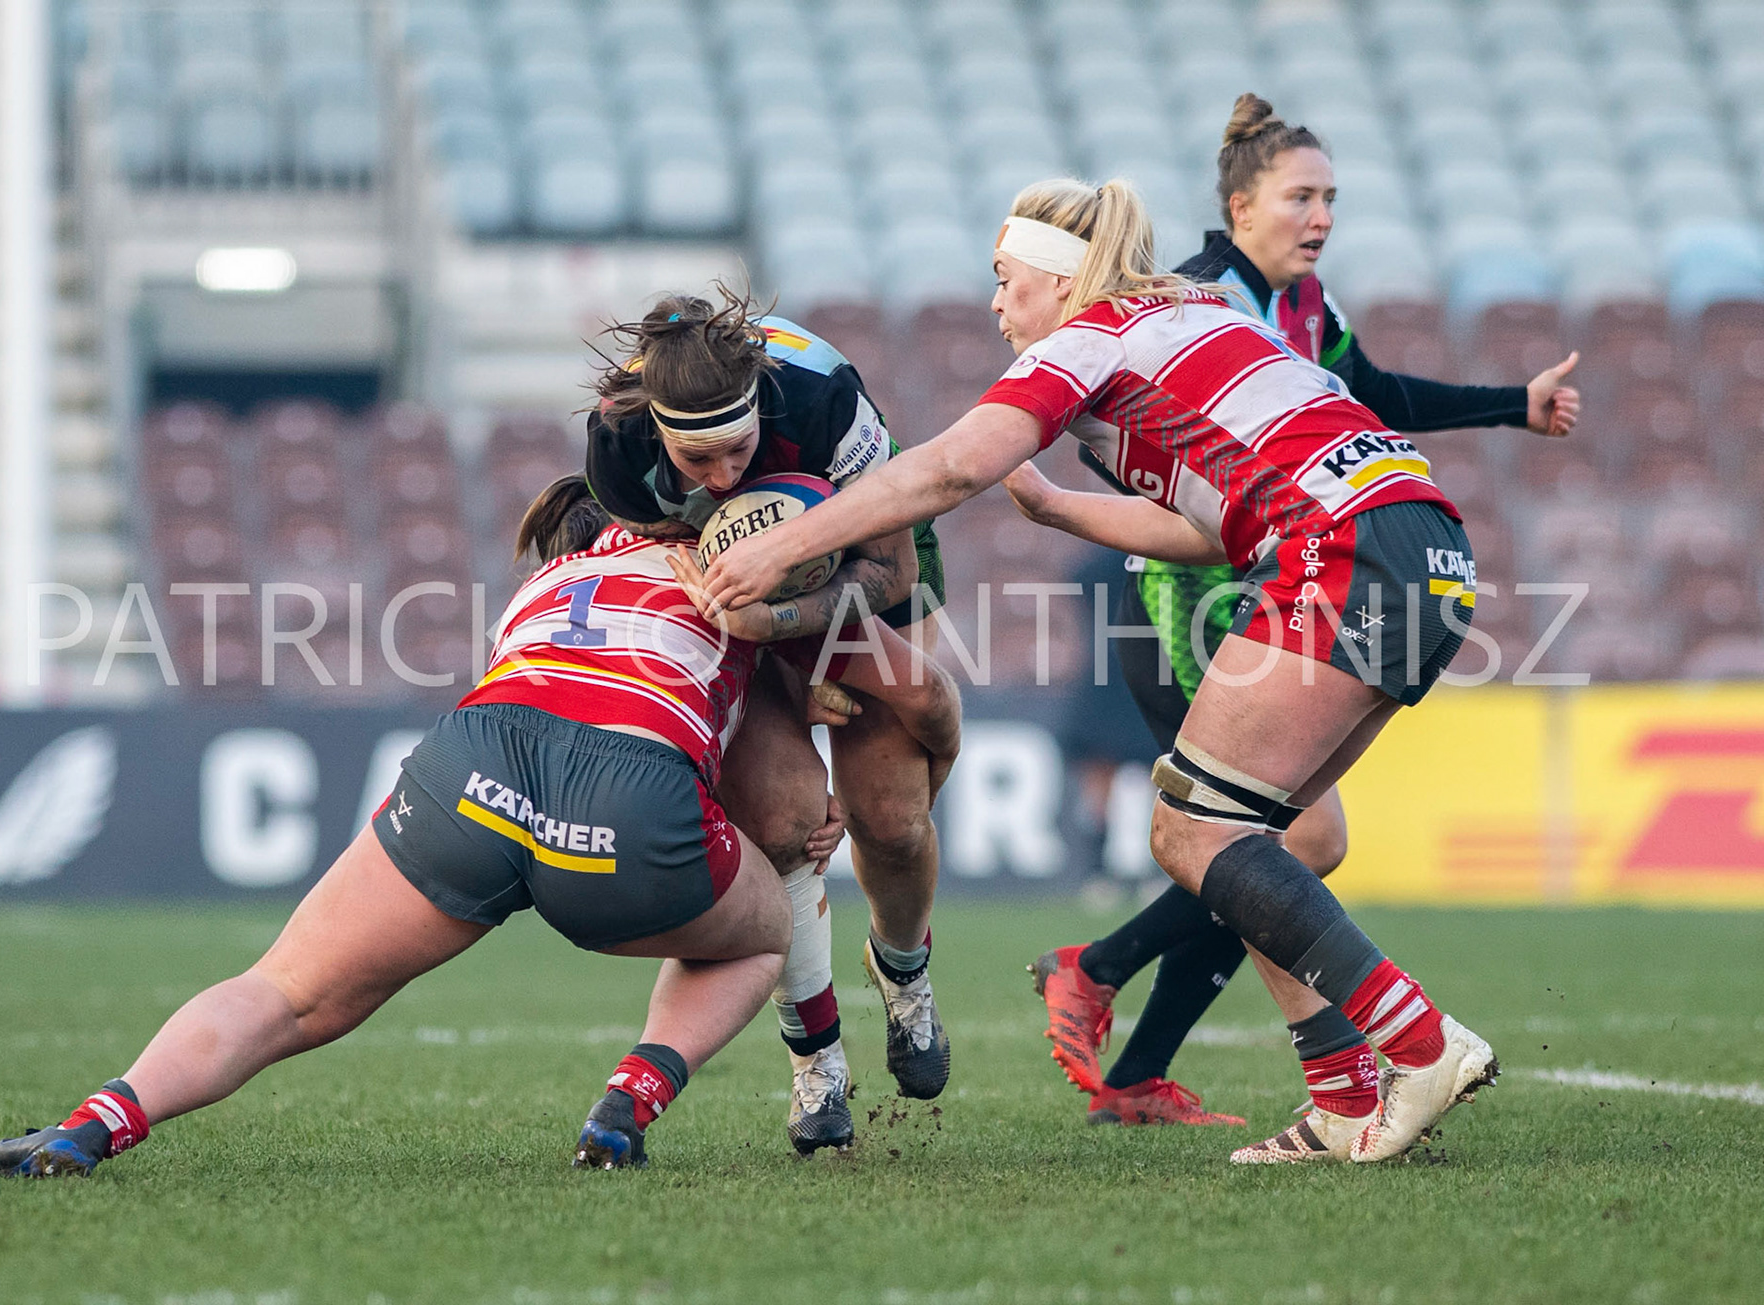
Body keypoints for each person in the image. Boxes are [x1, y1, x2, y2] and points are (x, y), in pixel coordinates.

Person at [696, 176, 1503, 1165]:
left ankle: (1418, 1042)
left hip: (1342, 550)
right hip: (1423, 539)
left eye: (1005, 279)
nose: (997, 304)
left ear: (1060, 276)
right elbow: (1209, 530)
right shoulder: (1196, 312)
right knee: (1254, 840)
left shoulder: (1087, 340)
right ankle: (1342, 1098)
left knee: (1190, 826)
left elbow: (944, 469)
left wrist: (782, 549)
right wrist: (1061, 510)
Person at [1016, 94, 1580, 1135]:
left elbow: (1371, 395)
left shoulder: (1308, 307)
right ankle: (1118, 988)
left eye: (1332, 198)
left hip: (1289, 578)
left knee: (1269, 842)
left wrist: (1515, 404)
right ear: (1239, 204)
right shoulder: (1190, 298)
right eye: (1300, 196)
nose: (1320, 216)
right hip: (1191, 600)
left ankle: (1125, 1028)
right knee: (1277, 836)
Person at [0, 477, 797, 1178]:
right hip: (624, 800)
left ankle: (96, 1121)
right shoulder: (728, 566)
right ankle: (627, 1102)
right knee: (763, 935)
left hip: (475, 763)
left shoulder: (548, 583)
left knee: (285, 991)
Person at [584, 288, 960, 1134]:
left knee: (891, 816)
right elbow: (690, 599)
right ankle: (815, 1062)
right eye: (698, 463)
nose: (722, 479)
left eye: (740, 451)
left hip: (855, 564)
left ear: (763, 407)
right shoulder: (617, 442)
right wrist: (770, 664)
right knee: (786, 818)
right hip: (723, 603)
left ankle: (904, 971)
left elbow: (890, 572)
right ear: (658, 430)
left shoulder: (825, 396)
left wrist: (781, 618)